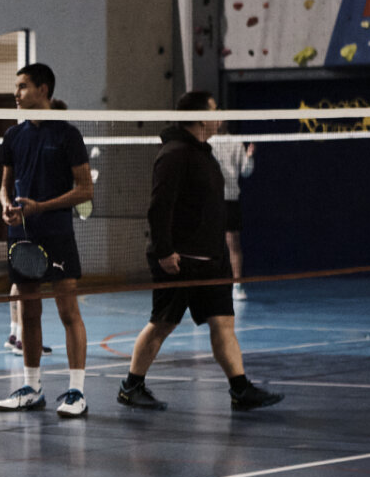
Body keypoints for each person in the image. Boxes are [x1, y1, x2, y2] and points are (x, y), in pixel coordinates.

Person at [116, 92, 283, 412]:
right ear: (200, 116)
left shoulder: (205, 153)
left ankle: (240, 389)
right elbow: (159, 207)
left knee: (223, 323)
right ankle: (131, 386)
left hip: (212, 260)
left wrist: (219, 254)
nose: (219, 115)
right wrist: (164, 251)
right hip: (180, 261)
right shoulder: (174, 153)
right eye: (214, 110)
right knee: (162, 324)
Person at [0, 64, 93, 417]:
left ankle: (76, 392)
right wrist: (6, 206)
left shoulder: (67, 135)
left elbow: (85, 189)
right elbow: (5, 186)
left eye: (22, 86)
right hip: (21, 235)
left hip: (57, 234)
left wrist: (41, 207)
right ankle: (32, 387)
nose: (16, 93)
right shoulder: (13, 136)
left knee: (68, 312)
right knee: (29, 312)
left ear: (43, 89)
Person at [211, 131, 254, 301]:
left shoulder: (236, 142)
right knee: (208, 245)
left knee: (233, 243)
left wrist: (249, 157)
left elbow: (246, 171)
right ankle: (209, 285)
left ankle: (237, 285)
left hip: (230, 199)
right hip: (210, 199)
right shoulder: (206, 141)